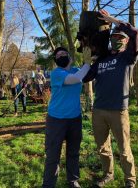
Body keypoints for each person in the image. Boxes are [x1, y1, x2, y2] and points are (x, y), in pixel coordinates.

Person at [83, 9, 138, 188]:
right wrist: (86, 62)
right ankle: (108, 174)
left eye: (120, 37)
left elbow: (136, 33)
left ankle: (130, 180)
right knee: (103, 148)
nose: (116, 39)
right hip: (99, 110)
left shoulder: (128, 57)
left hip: (118, 110)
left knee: (124, 150)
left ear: (126, 42)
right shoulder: (101, 59)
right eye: (114, 37)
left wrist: (112, 20)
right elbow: (86, 78)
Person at [42, 46, 92, 188]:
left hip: (75, 119)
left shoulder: (77, 70)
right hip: (56, 120)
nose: (61, 56)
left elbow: (87, 73)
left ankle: (73, 180)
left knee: (73, 152)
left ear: (70, 56)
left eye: (64, 54)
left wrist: (94, 57)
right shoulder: (56, 73)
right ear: (56, 61)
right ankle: (49, 184)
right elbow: (76, 79)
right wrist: (87, 63)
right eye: (58, 56)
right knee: (53, 155)